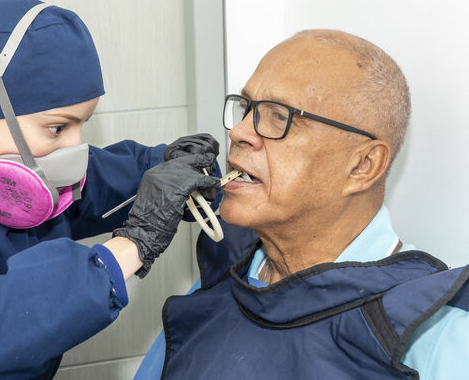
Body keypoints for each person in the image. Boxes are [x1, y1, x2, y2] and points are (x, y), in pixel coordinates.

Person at [0, 0, 222, 379]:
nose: (75, 150)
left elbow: (130, 175)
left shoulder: (37, 168)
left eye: (81, 125)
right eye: (57, 127)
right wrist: (133, 245)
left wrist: (178, 164)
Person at [135, 29, 469, 379]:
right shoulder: (221, 281)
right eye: (247, 108)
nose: (238, 132)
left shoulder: (432, 334)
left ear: (363, 165)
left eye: (279, 116)